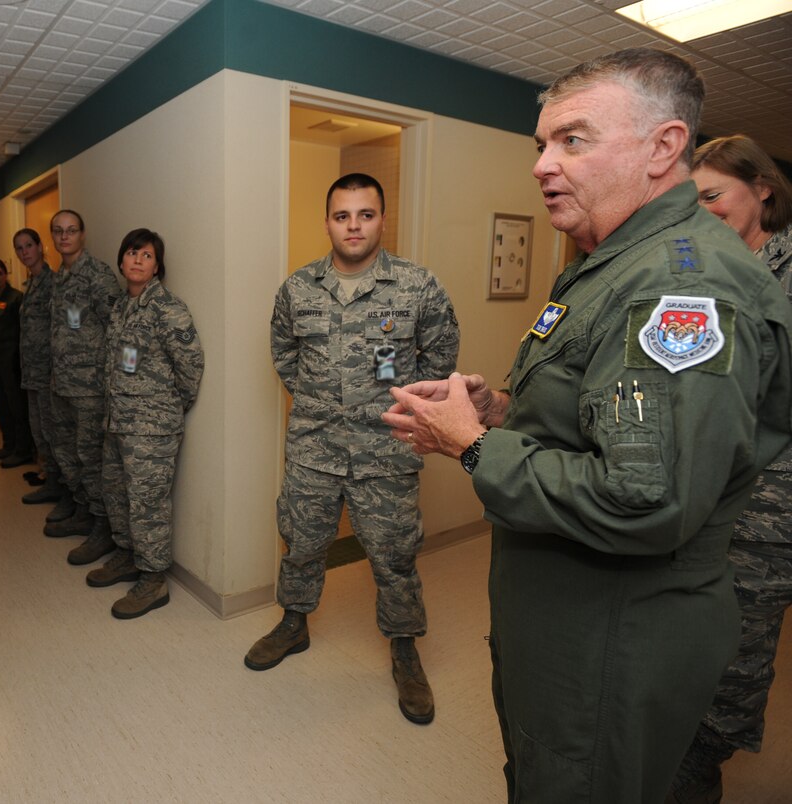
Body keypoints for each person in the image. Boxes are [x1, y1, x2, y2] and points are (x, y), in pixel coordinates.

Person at [382, 49, 792, 801]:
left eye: (573, 140)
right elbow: (596, 412)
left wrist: (472, 444)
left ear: (664, 147)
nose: (542, 164)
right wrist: (500, 411)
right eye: (542, 143)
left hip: (611, 636)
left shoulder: (676, 288)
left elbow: (645, 499)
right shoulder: (611, 261)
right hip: (565, 611)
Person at [243, 173, 459, 727]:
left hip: (385, 451)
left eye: (365, 214)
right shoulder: (298, 288)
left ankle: (405, 649)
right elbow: (284, 354)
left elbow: (440, 361)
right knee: (301, 541)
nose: (354, 226)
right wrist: (322, 402)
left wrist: (398, 410)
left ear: (382, 220)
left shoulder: (417, 286)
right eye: (342, 216)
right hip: (313, 447)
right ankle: (294, 623)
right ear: (328, 223)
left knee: (394, 555)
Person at [669, 135, 792, 803]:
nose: (704, 210)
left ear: (763, 189)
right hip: (700, 490)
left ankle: (701, 766)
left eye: (714, 195)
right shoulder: (703, 270)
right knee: (689, 633)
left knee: (739, 643)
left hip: (768, 503)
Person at [85, 228, 204, 618]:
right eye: (132, 253)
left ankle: (153, 581)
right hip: (118, 421)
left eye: (147, 255)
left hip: (152, 429)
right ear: (121, 262)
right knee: (116, 493)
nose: (138, 259)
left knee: (147, 505)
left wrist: (166, 408)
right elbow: (119, 364)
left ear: (157, 267)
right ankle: (126, 555)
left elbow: (191, 366)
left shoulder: (167, 308)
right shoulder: (121, 306)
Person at [43, 210, 122, 567]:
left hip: (89, 387)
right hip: (61, 384)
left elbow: (116, 327)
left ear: (82, 234)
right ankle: (83, 512)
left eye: (71, 230)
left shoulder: (98, 275)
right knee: (66, 453)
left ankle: (103, 528)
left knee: (91, 459)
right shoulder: (59, 277)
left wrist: (115, 379)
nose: (64, 236)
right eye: (58, 231)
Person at [15, 228, 66, 507]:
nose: (24, 252)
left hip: (48, 373)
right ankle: (48, 477)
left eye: (28, 245)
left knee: (50, 430)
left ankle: (58, 485)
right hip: (31, 372)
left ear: (39, 247)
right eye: (19, 248)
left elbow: (64, 327)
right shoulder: (31, 284)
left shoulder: (53, 283)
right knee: (38, 429)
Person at [0, 258, 33, 468]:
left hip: (11, 357)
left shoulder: (16, 298)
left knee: (16, 404)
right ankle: (8, 444)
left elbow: (23, 330)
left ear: (5, 275)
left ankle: (23, 450)